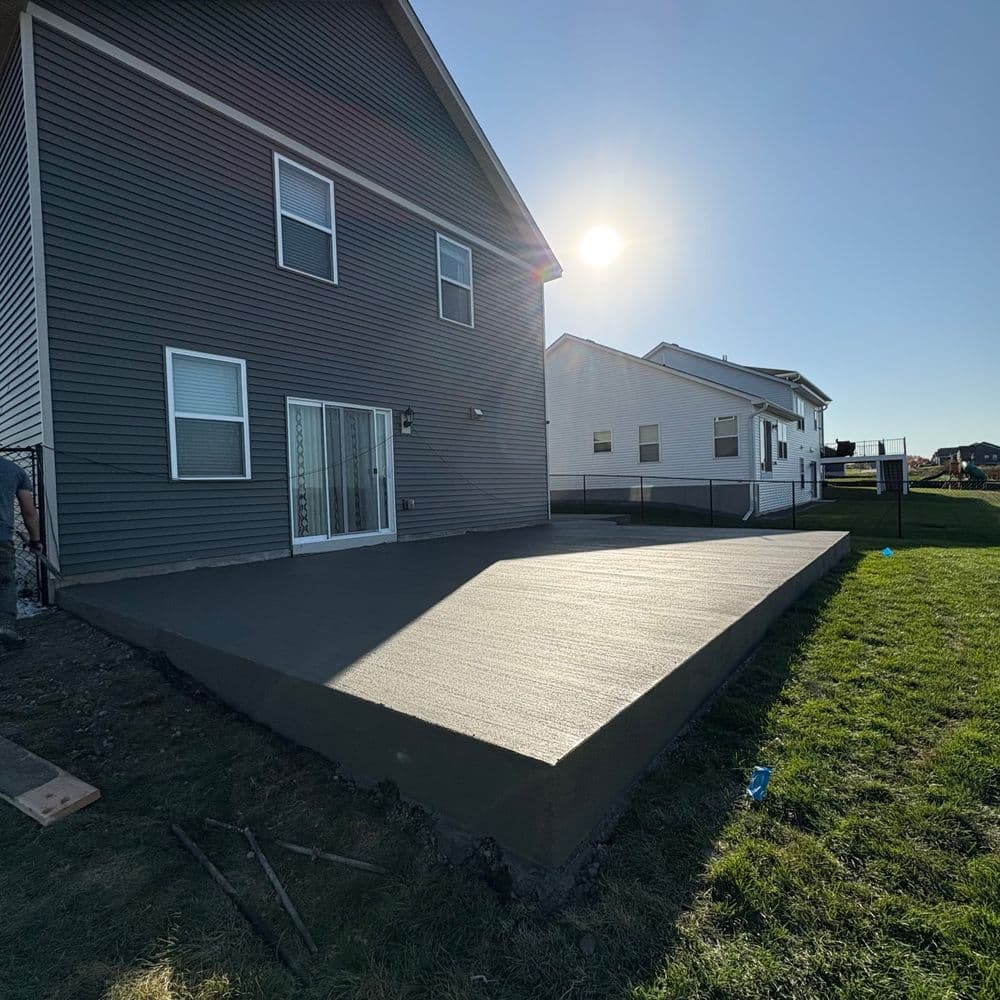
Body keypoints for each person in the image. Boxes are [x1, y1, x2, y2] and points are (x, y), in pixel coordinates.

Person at [0, 456, 41, 648]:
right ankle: (6, 627)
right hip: (1, 538)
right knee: (5, 583)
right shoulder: (14, 470)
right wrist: (35, 540)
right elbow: (29, 512)